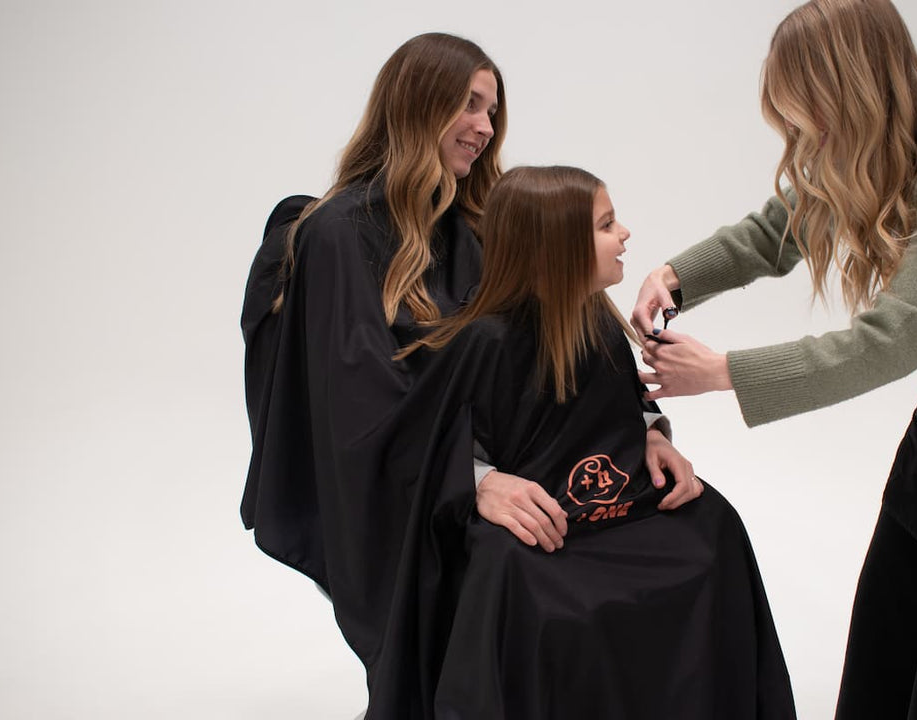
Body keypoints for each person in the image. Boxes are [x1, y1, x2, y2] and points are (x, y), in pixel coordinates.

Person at [239, 32, 697, 714]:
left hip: (526, 467)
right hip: (419, 497)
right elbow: (359, 408)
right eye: (470, 106)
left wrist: (644, 426)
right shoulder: (340, 234)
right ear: (417, 105)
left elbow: (571, 334)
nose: (486, 128)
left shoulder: (479, 224)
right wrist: (469, 481)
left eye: (493, 111)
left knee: (686, 546)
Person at [631, 1, 917, 718]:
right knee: (889, 620)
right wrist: (675, 276)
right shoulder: (887, 137)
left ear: (854, 92)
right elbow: (781, 227)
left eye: (812, 119)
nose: (808, 141)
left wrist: (725, 372)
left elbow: (894, 339)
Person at [396, 166, 796, 719]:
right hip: (549, 525)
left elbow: (626, 404)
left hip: (620, 502)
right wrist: (481, 481)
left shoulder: (600, 324)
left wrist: (655, 437)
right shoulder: (484, 341)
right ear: (557, 246)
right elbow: (433, 443)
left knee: (714, 527)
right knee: (521, 579)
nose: (625, 233)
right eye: (607, 224)